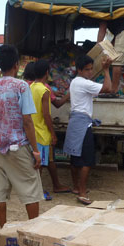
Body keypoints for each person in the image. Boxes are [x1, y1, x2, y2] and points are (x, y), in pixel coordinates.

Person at [0, 44, 43, 227]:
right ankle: (33, 229)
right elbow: (27, 121)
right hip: (19, 145)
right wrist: (35, 150)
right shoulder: (21, 86)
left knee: (0, 191)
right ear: (17, 64)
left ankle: (3, 228)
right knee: (30, 188)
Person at [64, 55, 113, 205]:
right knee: (86, 160)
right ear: (79, 70)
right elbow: (108, 88)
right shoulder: (84, 83)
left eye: (92, 69)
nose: (90, 72)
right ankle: (83, 192)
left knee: (74, 157)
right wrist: (106, 70)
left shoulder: (75, 82)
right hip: (83, 124)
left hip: (74, 122)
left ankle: (76, 187)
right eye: (87, 70)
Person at [30, 59, 70, 200]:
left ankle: (56, 185)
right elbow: (46, 115)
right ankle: (37, 191)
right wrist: (53, 134)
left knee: (49, 160)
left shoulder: (31, 87)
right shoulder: (45, 90)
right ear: (47, 73)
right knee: (40, 163)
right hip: (42, 132)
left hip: (33, 131)